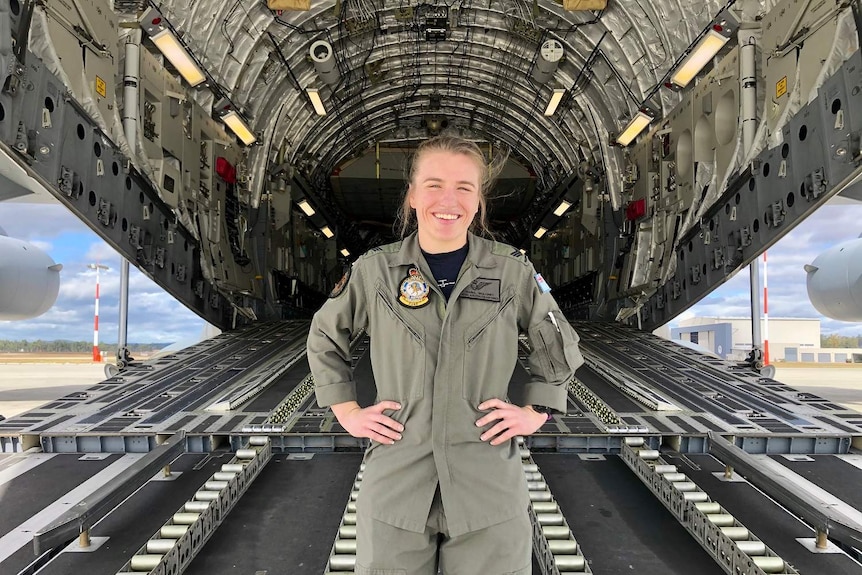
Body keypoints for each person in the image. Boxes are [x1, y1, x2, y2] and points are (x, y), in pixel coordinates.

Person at [307, 135, 584, 575]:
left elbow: (556, 340)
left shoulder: (511, 270)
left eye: (464, 187)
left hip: (486, 483)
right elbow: (325, 334)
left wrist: (536, 411)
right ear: (413, 196)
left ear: (478, 202)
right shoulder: (375, 270)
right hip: (398, 477)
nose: (448, 200)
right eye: (434, 185)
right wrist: (346, 410)